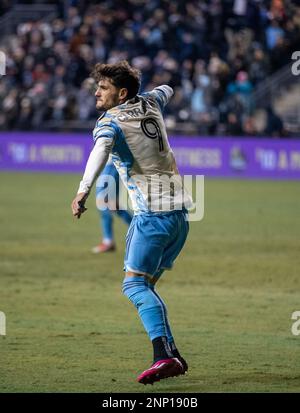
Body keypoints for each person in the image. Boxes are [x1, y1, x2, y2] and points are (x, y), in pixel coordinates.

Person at [71, 60, 192, 385]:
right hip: (181, 217)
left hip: (153, 217)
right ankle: (171, 356)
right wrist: (165, 87)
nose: (97, 92)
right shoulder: (151, 101)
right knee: (145, 285)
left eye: (104, 88)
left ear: (121, 93)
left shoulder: (110, 122)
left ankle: (165, 356)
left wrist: (83, 191)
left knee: (134, 285)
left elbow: (99, 151)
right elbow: (167, 89)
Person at [92, 159, 132, 253]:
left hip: (111, 163)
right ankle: (143, 230)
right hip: (113, 163)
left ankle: (108, 241)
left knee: (103, 202)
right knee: (113, 204)